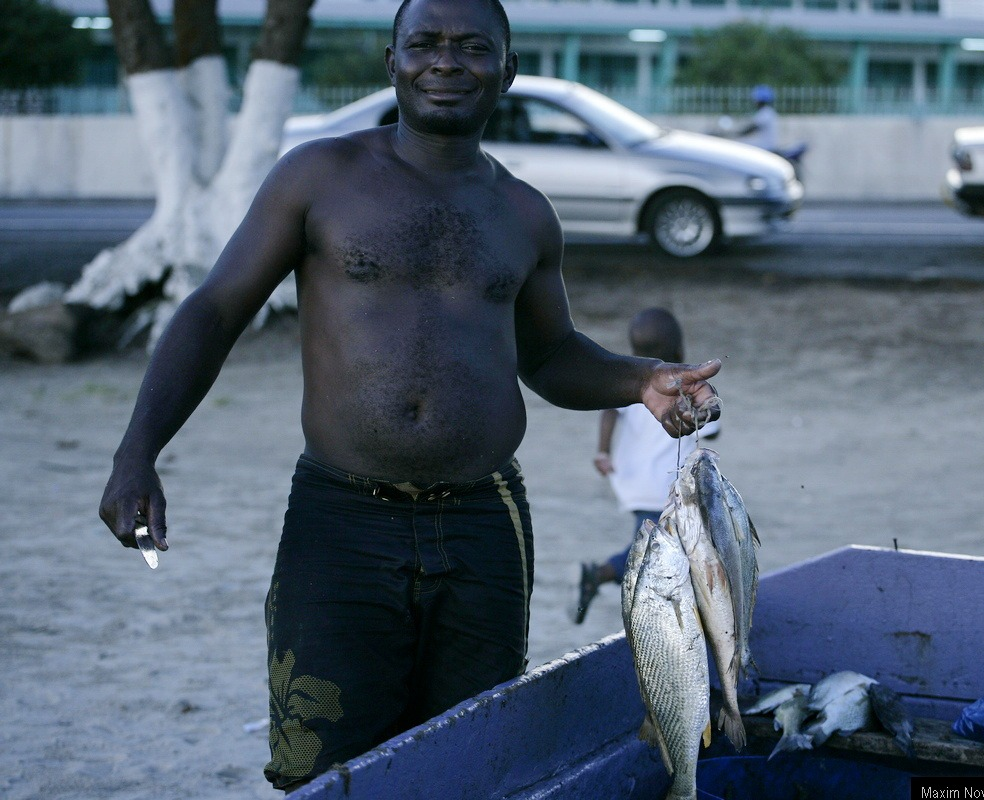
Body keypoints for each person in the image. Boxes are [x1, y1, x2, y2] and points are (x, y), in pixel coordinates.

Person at [95, 0, 720, 791]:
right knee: (320, 768)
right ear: (391, 63)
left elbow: (552, 354)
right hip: (341, 520)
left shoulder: (524, 213)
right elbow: (216, 309)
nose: (446, 62)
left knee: (470, 761)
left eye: (472, 48)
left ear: (509, 71)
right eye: (424, 44)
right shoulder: (320, 177)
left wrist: (639, 379)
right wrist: (136, 452)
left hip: (482, 525)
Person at [573, 307, 719, 624]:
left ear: (634, 353)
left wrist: (602, 452)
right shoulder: (683, 393)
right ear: (681, 352)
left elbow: (609, 410)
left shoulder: (630, 387)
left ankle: (623, 586)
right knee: (665, 550)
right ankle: (602, 576)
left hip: (633, 483)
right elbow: (712, 428)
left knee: (657, 546)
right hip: (666, 489)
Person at [737, 84, 779, 153]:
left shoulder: (765, 113)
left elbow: (753, 127)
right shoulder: (768, 112)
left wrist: (739, 133)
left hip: (766, 148)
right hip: (765, 146)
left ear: (759, 100)